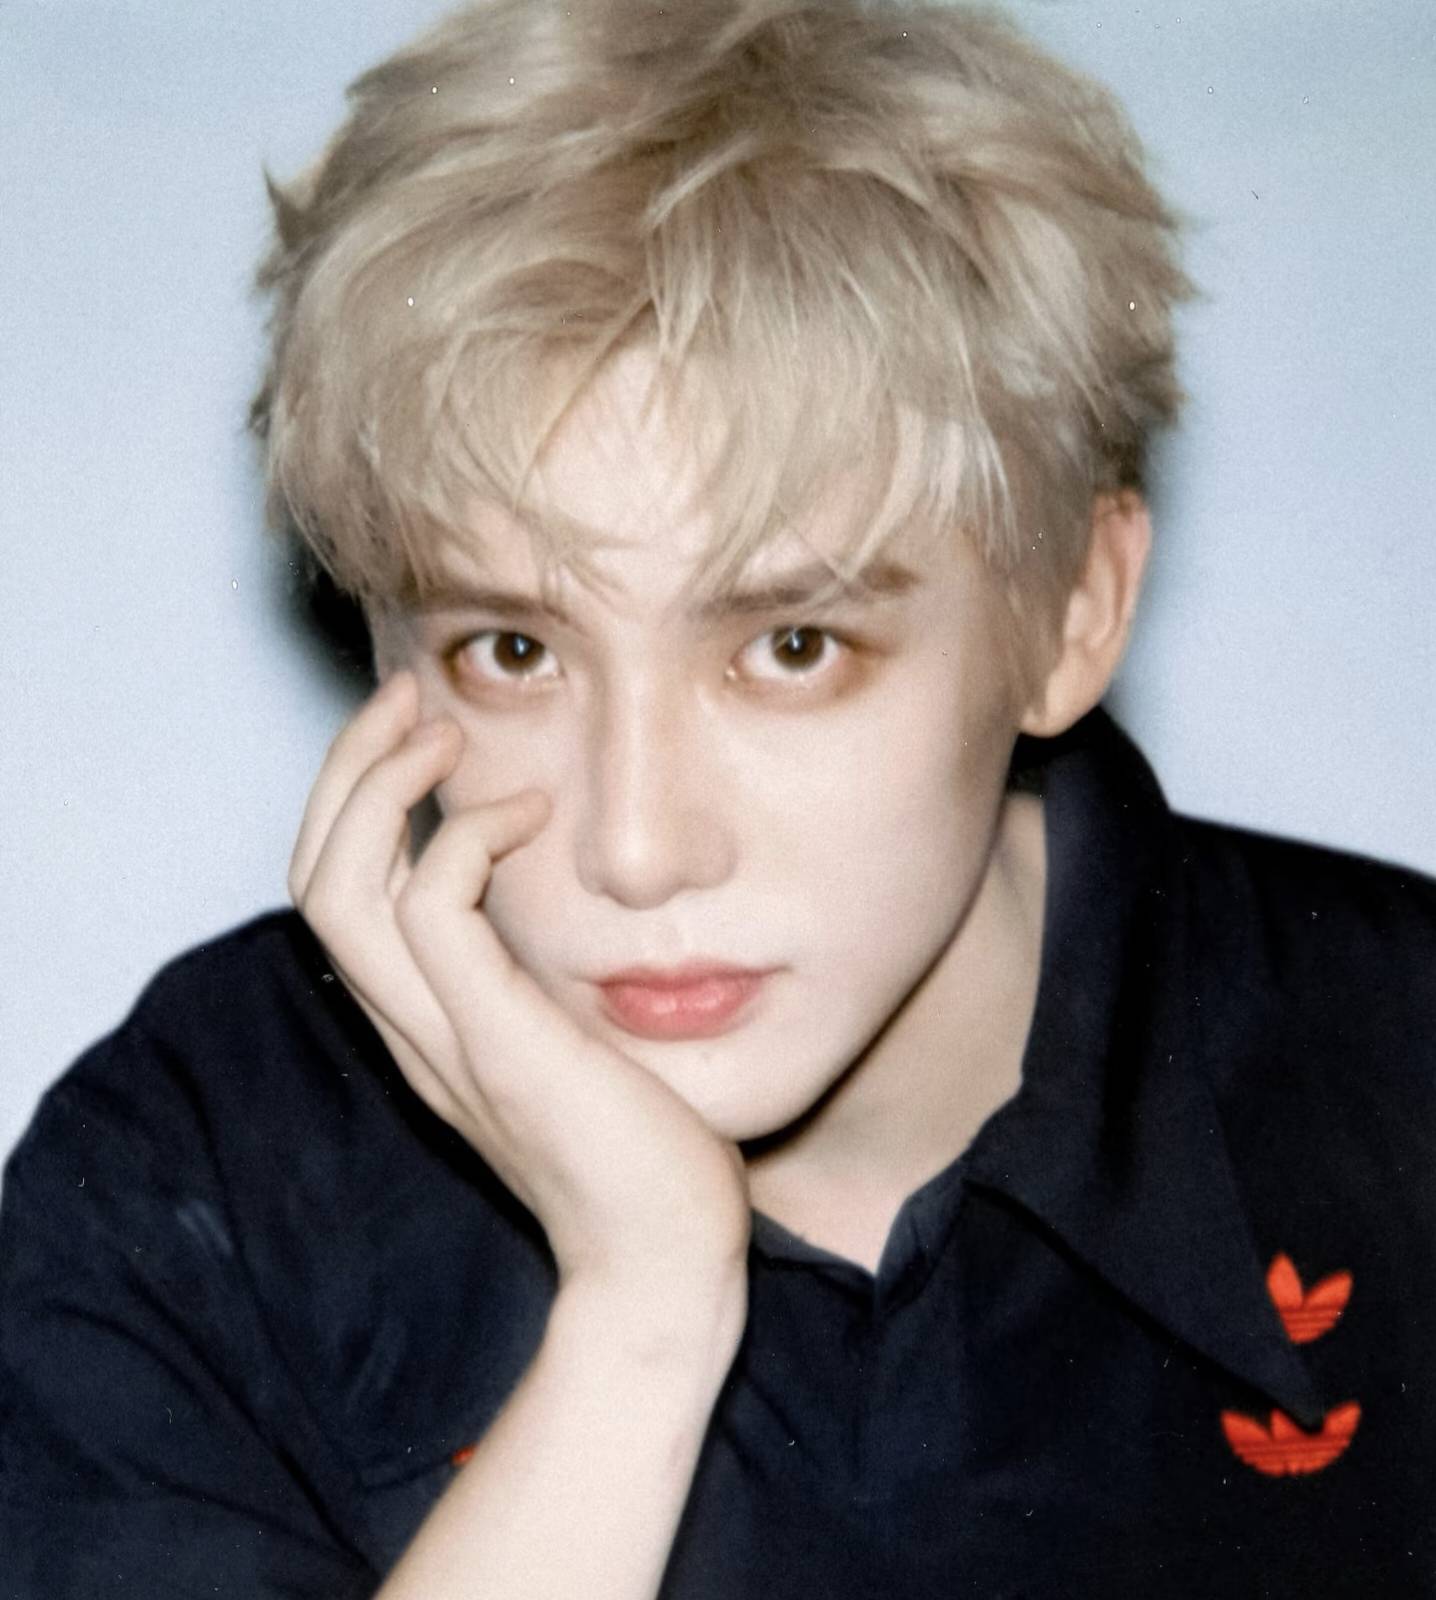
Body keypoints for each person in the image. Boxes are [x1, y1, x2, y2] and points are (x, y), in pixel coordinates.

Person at [2, 1, 1433, 1595]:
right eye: (512, 650)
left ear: (1075, 612)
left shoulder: (1404, 1069)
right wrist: (640, 1318)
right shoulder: (189, 1170)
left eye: (793, 646)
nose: (638, 848)